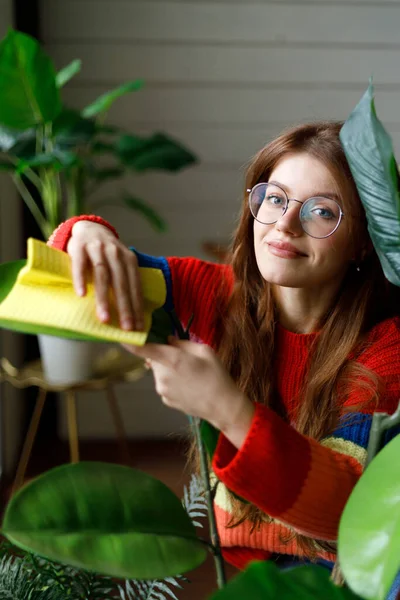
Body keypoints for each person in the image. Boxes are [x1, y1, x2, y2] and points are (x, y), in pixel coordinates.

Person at [48, 122, 400, 578]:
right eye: (275, 199)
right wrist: (86, 234)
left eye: (321, 212)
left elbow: (352, 516)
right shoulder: (211, 292)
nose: (285, 224)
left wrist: (227, 409)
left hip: (356, 570)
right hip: (257, 567)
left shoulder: (385, 346)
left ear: (361, 242)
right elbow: (94, 274)